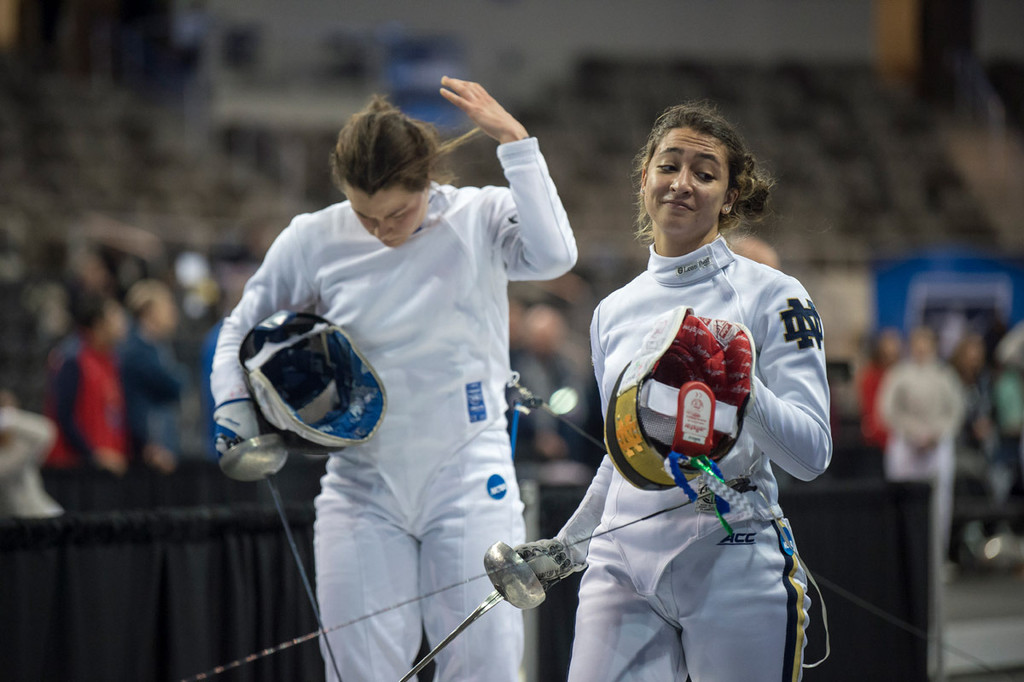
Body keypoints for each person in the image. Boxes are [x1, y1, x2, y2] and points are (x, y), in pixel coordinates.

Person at [209, 77, 577, 682]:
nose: (381, 228)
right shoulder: (314, 237)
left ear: (428, 182)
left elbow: (556, 255)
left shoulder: (477, 216)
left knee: (482, 666)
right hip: (362, 485)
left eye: (398, 212)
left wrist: (516, 143)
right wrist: (232, 406)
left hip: (466, 477)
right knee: (358, 673)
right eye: (365, 214)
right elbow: (237, 330)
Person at [505, 101, 832, 681]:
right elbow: (622, 453)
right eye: (669, 166)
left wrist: (741, 386)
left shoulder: (774, 296)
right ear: (644, 178)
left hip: (733, 557)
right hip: (621, 564)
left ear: (729, 197)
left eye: (705, 173)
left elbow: (811, 456)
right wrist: (570, 545)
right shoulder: (612, 312)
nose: (683, 183)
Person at [877, 325, 965, 559]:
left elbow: (956, 411)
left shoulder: (945, 375)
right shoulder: (899, 374)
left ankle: (937, 558)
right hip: (907, 447)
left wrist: (937, 433)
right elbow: (887, 409)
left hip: (937, 447)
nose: (922, 349)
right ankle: (901, 556)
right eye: (918, 344)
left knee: (940, 506)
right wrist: (913, 433)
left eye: (926, 344)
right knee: (903, 502)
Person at [44, 293, 130, 475]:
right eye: (115, 316)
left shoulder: (112, 360)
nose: (123, 322)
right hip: (74, 471)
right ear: (98, 324)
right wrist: (93, 454)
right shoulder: (72, 359)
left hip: (107, 466)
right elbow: (64, 416)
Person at [0, 389, 62, 518]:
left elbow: (46, 431)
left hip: (39, 518)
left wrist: (9, 419)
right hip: (12, 525)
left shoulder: (22, 446)